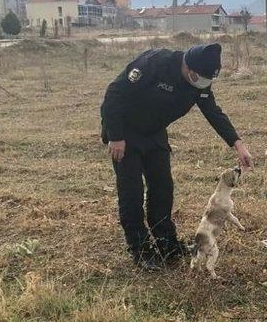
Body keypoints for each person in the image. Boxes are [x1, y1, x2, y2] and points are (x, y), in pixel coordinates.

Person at [100, 42, 253, 269]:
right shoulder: (155, 63)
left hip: (154, 132)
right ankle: (140, 250)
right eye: (198, 78)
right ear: (187, 67)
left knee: (163, 188)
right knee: (131, 192)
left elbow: (212, 111)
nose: (201, 84)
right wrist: (115, 136)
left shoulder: (198, 82)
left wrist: (237, 144)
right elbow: (114, 94)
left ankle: (166, 242)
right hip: (124, 132)